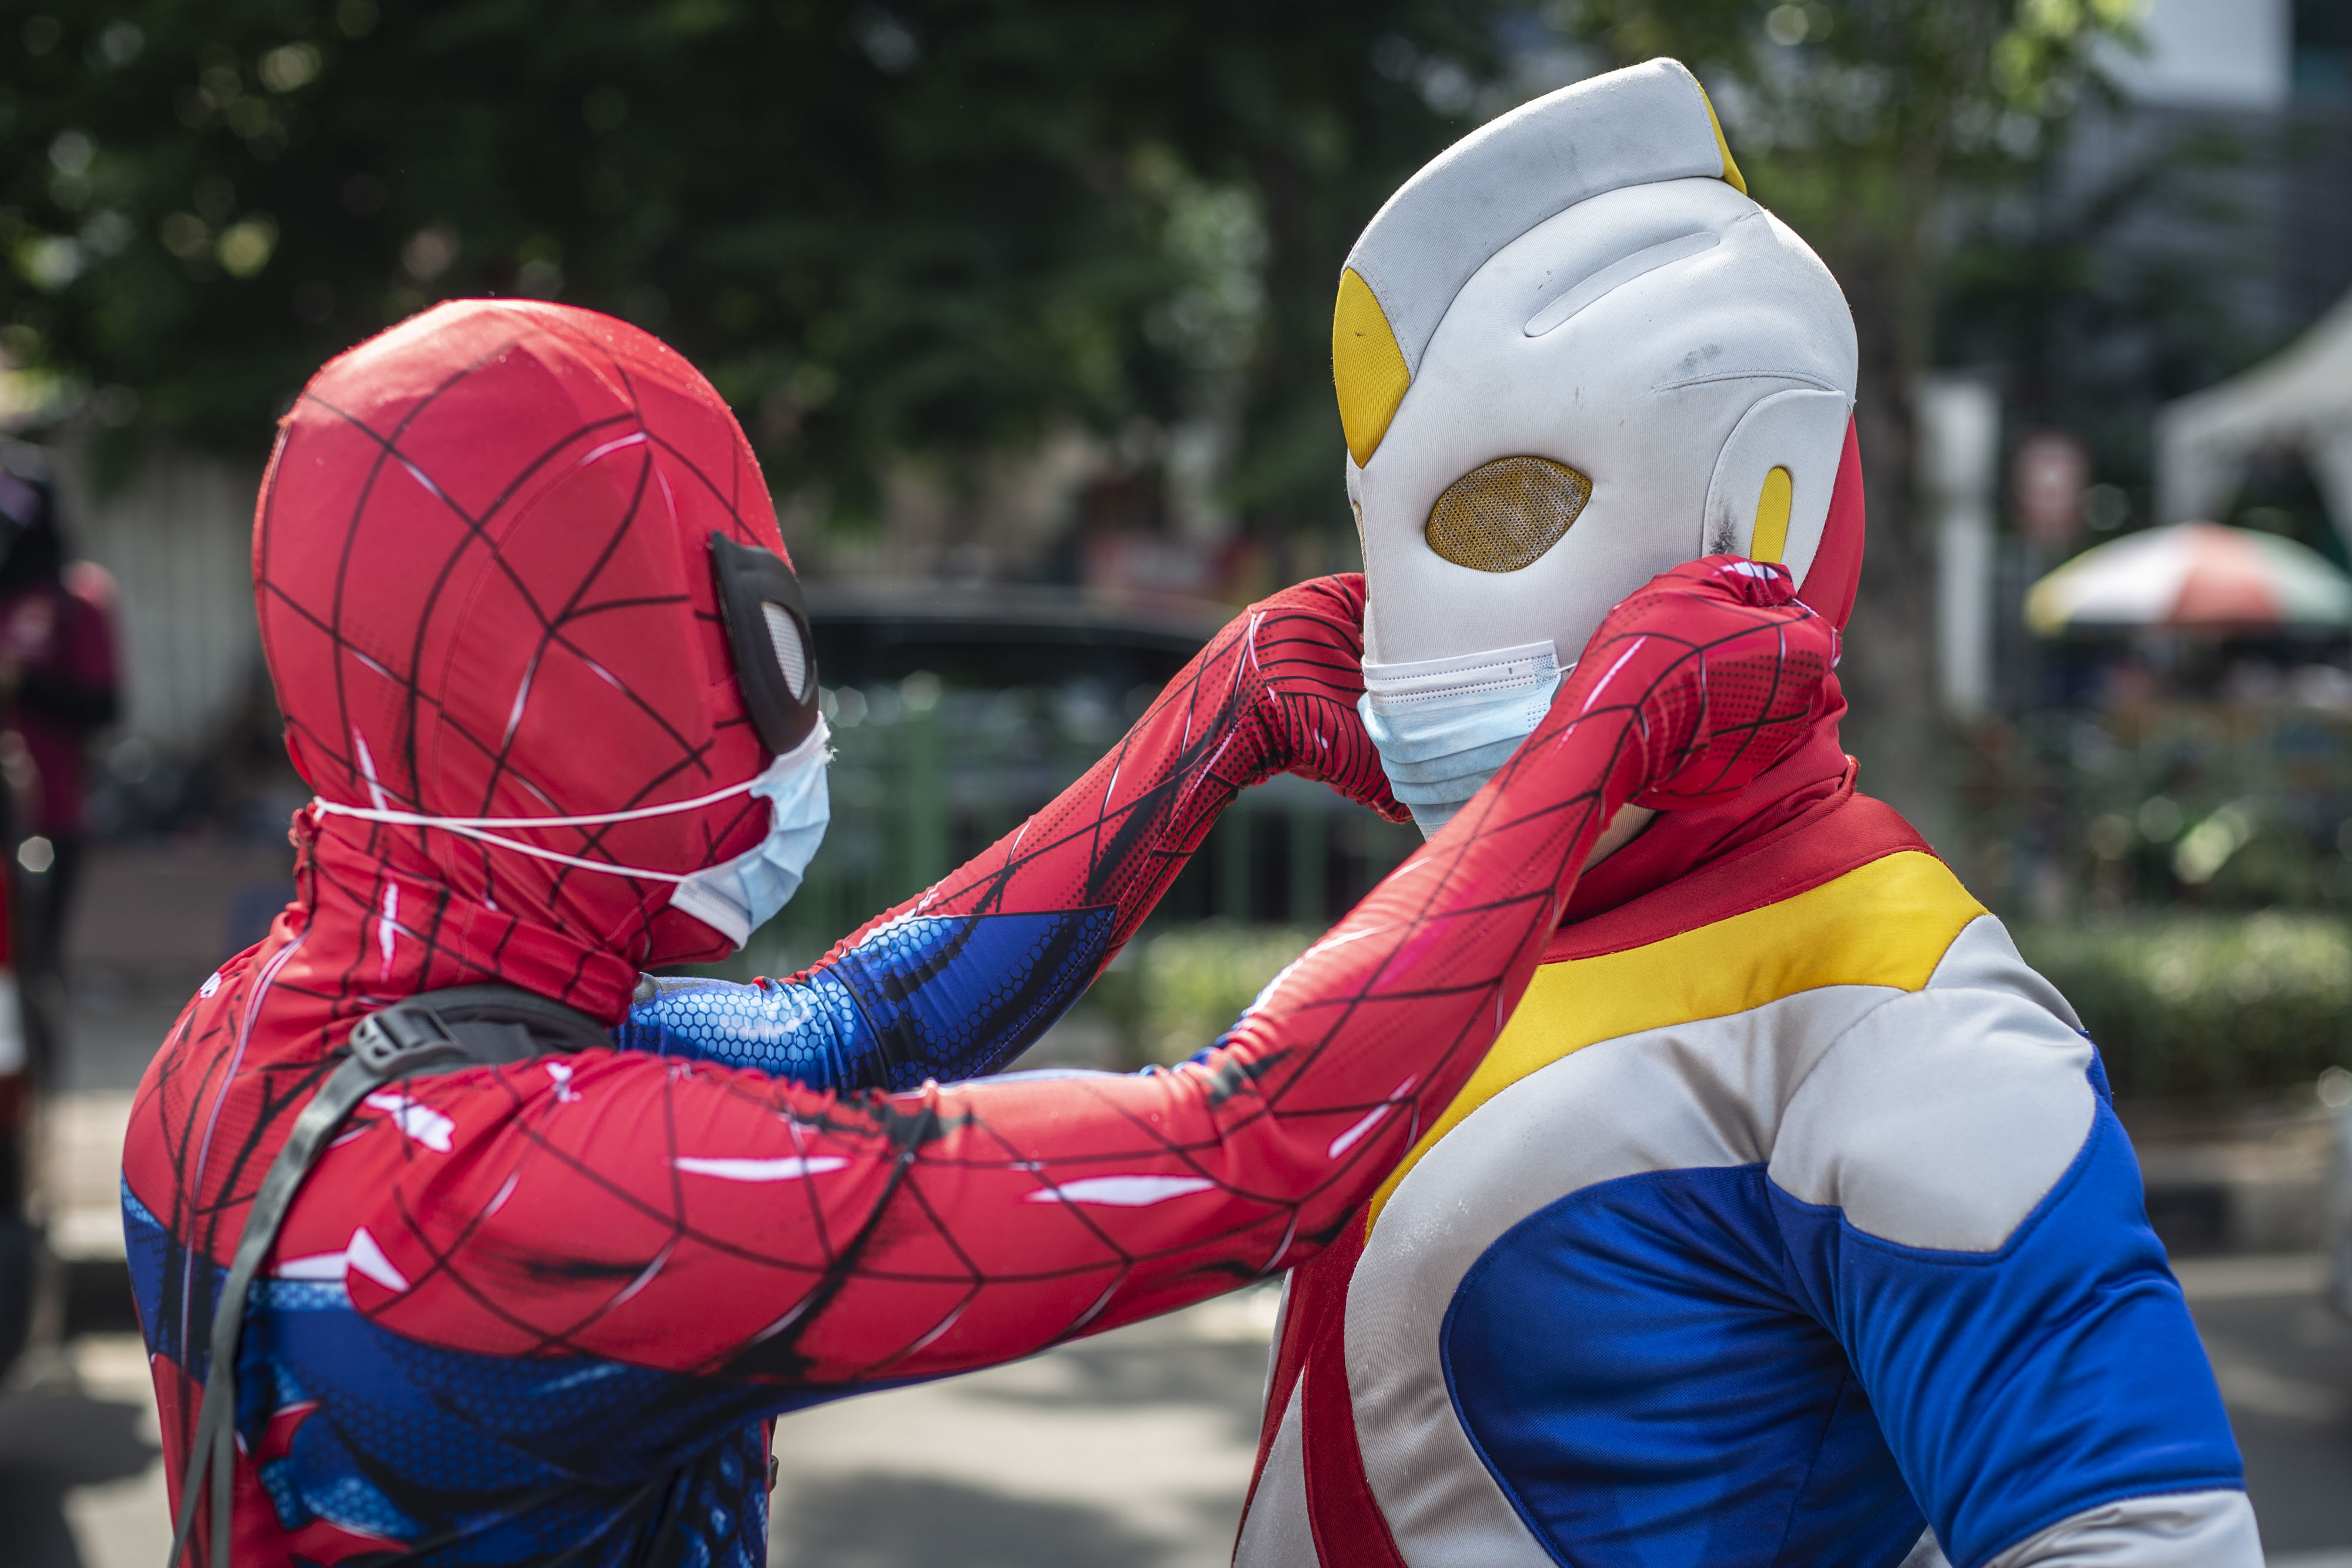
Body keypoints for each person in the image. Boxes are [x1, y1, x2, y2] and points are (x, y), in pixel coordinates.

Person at [121, 299, 1838, 1567]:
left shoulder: (273, 1033)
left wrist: (1218, 716)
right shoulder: (500, 1192)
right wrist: (1600, 734)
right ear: (579, 684)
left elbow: (824, 1040)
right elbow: (1245, 1155)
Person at [1231, 59, 2254, 1568]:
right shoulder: (1464, 940)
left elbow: (2142, 1535)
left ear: (1755, 515)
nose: (1401, 641)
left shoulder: (1887, 1007)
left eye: (1504, 512)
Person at [0, 450, 118, 1051]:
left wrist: (24, 684)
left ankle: (34, 1090)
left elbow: (103, 708)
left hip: (52, 816)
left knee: (34, 961)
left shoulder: (79, 600)